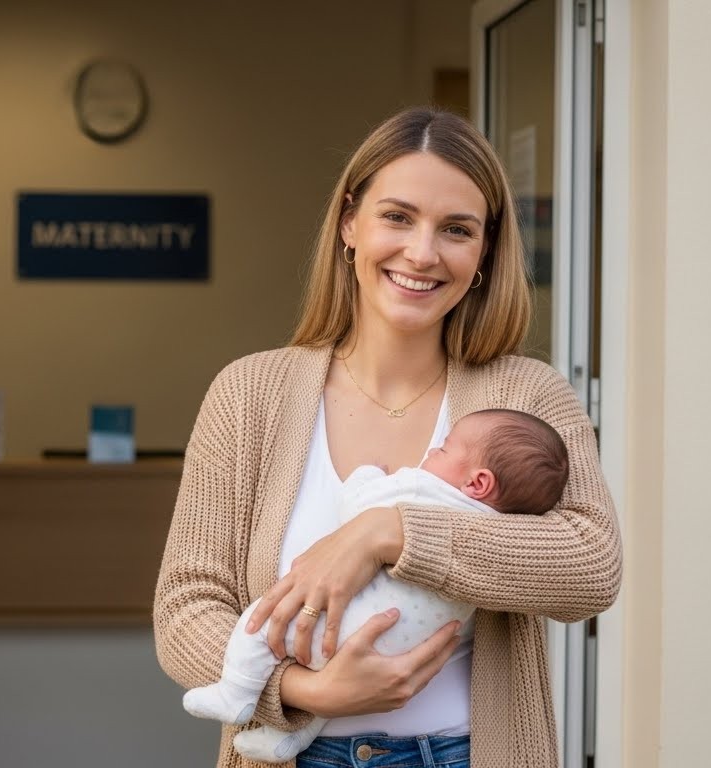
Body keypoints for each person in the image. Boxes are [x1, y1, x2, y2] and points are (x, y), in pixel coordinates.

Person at [153, 107, 621, 768]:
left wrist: (386, 533)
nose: (422, 253)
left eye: (455, 229)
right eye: (396, 217)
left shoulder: (526, 395)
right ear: (349, 223)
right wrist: (304, 689)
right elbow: (186, 605)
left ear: (483, 251)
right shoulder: (248, 393)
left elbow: (590, 566)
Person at [182, 409, 570, 763]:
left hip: (335, 638)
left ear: (478, 481)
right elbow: (186, 605)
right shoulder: (495, 524)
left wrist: (370, 479)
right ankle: (296, 735)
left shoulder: (421, 489)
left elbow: (359, 506)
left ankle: (236, 691)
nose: (434, 449)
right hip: (398, 649)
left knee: (265, 616)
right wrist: (313, 693)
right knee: (330, 682)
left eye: (445, 447)